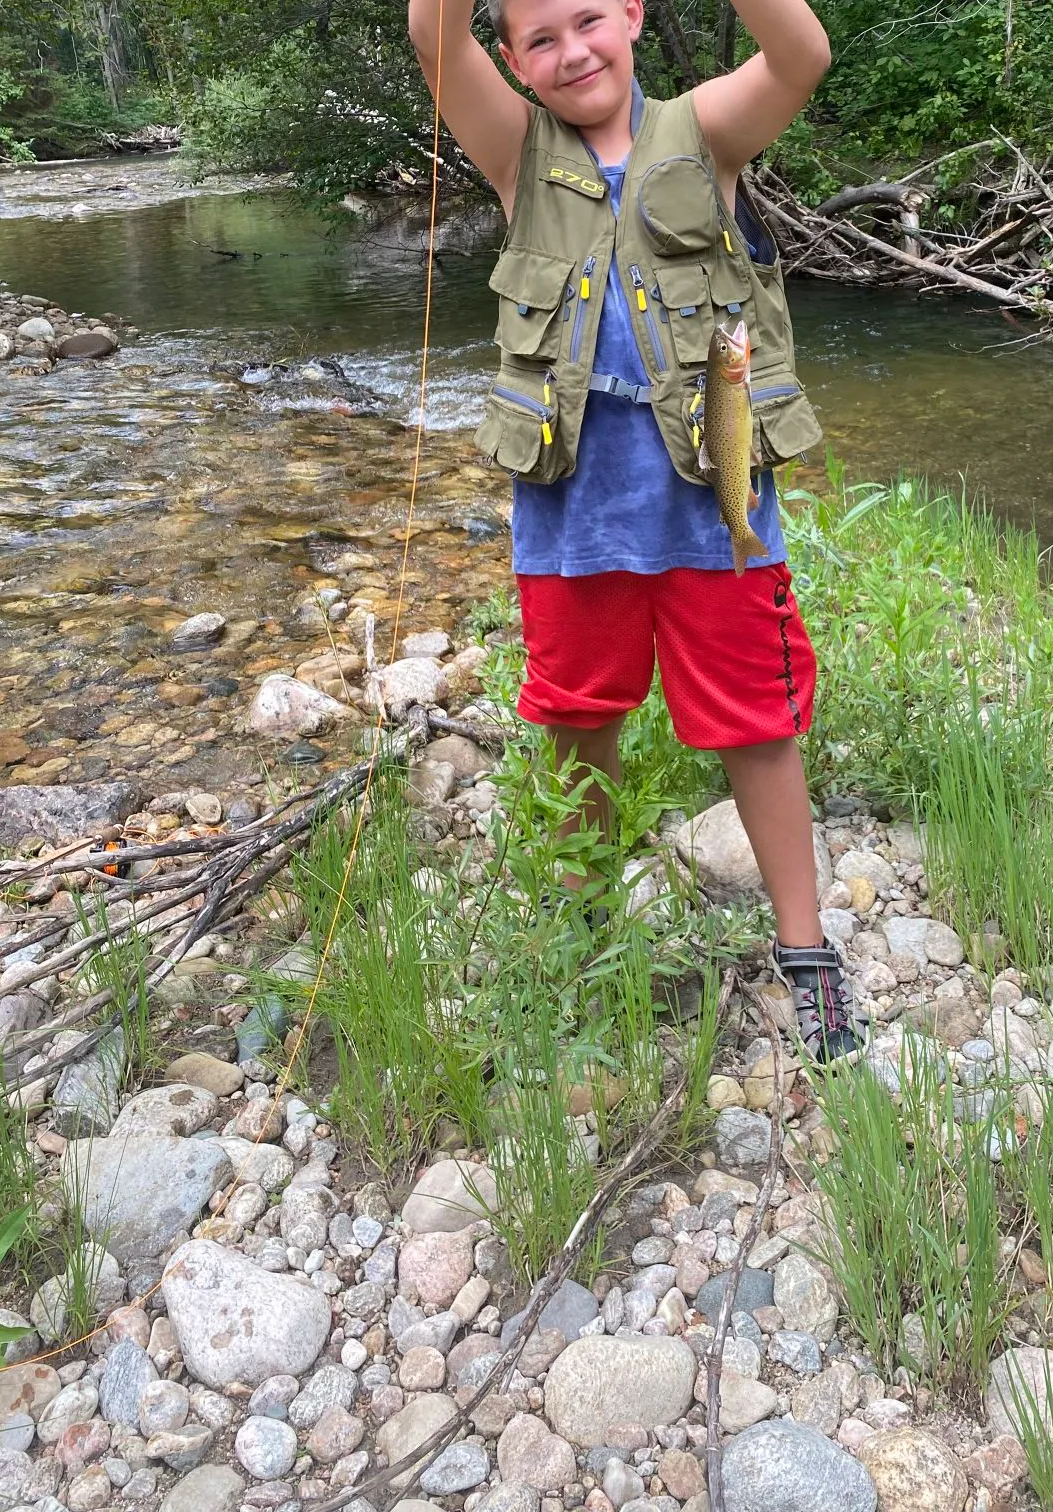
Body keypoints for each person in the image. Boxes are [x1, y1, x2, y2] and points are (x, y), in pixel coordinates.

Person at [407, 0, 865, 1060]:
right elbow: (435, 40)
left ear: (632, 14)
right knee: (578, 723)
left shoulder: (706, 131)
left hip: (713, 513)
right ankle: (584, 937)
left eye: (588, 20)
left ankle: (807, 955)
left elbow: (801, 54)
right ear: (515, 61)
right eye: (540, 40)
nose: (572, 52)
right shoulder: (517, 153)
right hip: (573, 518)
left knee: (758, 725)